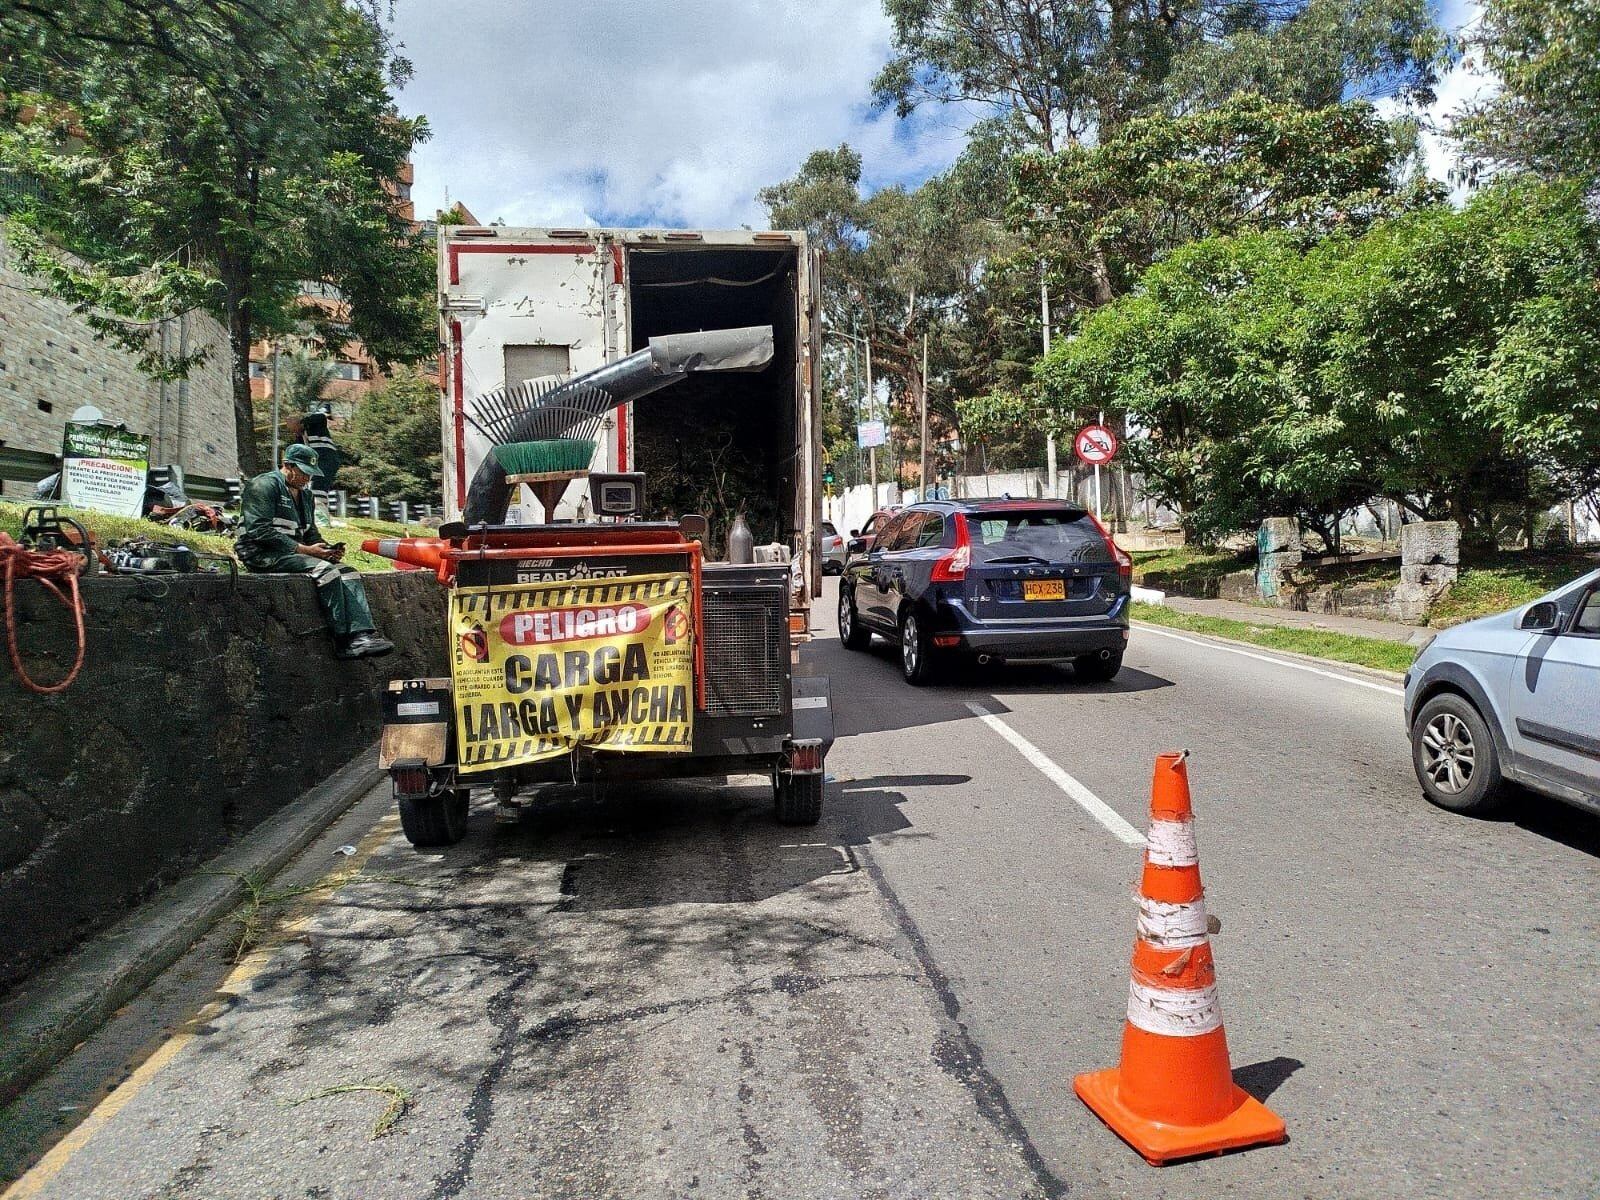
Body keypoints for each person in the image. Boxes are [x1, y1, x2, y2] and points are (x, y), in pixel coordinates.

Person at [237, 445, 394, 659]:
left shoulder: (306, 496)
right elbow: (258, 529)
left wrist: (327, 549)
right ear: (287, 465)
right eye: (303, 472)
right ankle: (343, 640)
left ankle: (362, 634)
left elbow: (311, 534)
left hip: (294, 552)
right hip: (262, 553)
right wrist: (305, 550)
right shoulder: (264, 485)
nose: (306, 478)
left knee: (349, 572)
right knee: (325, 571)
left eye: (310, 474)